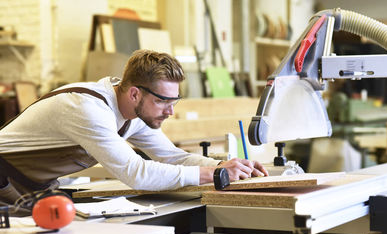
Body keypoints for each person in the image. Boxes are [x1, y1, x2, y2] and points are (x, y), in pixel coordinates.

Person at [0, 49, 267, 205]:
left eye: (175, 101)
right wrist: (211, 174)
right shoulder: (87, 109)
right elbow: (136, 173)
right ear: (135, 94)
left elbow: (174, 157)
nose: (171, 111)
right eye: (163, 101)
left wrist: (225, 167)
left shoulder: (133, 114)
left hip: (31, 186)